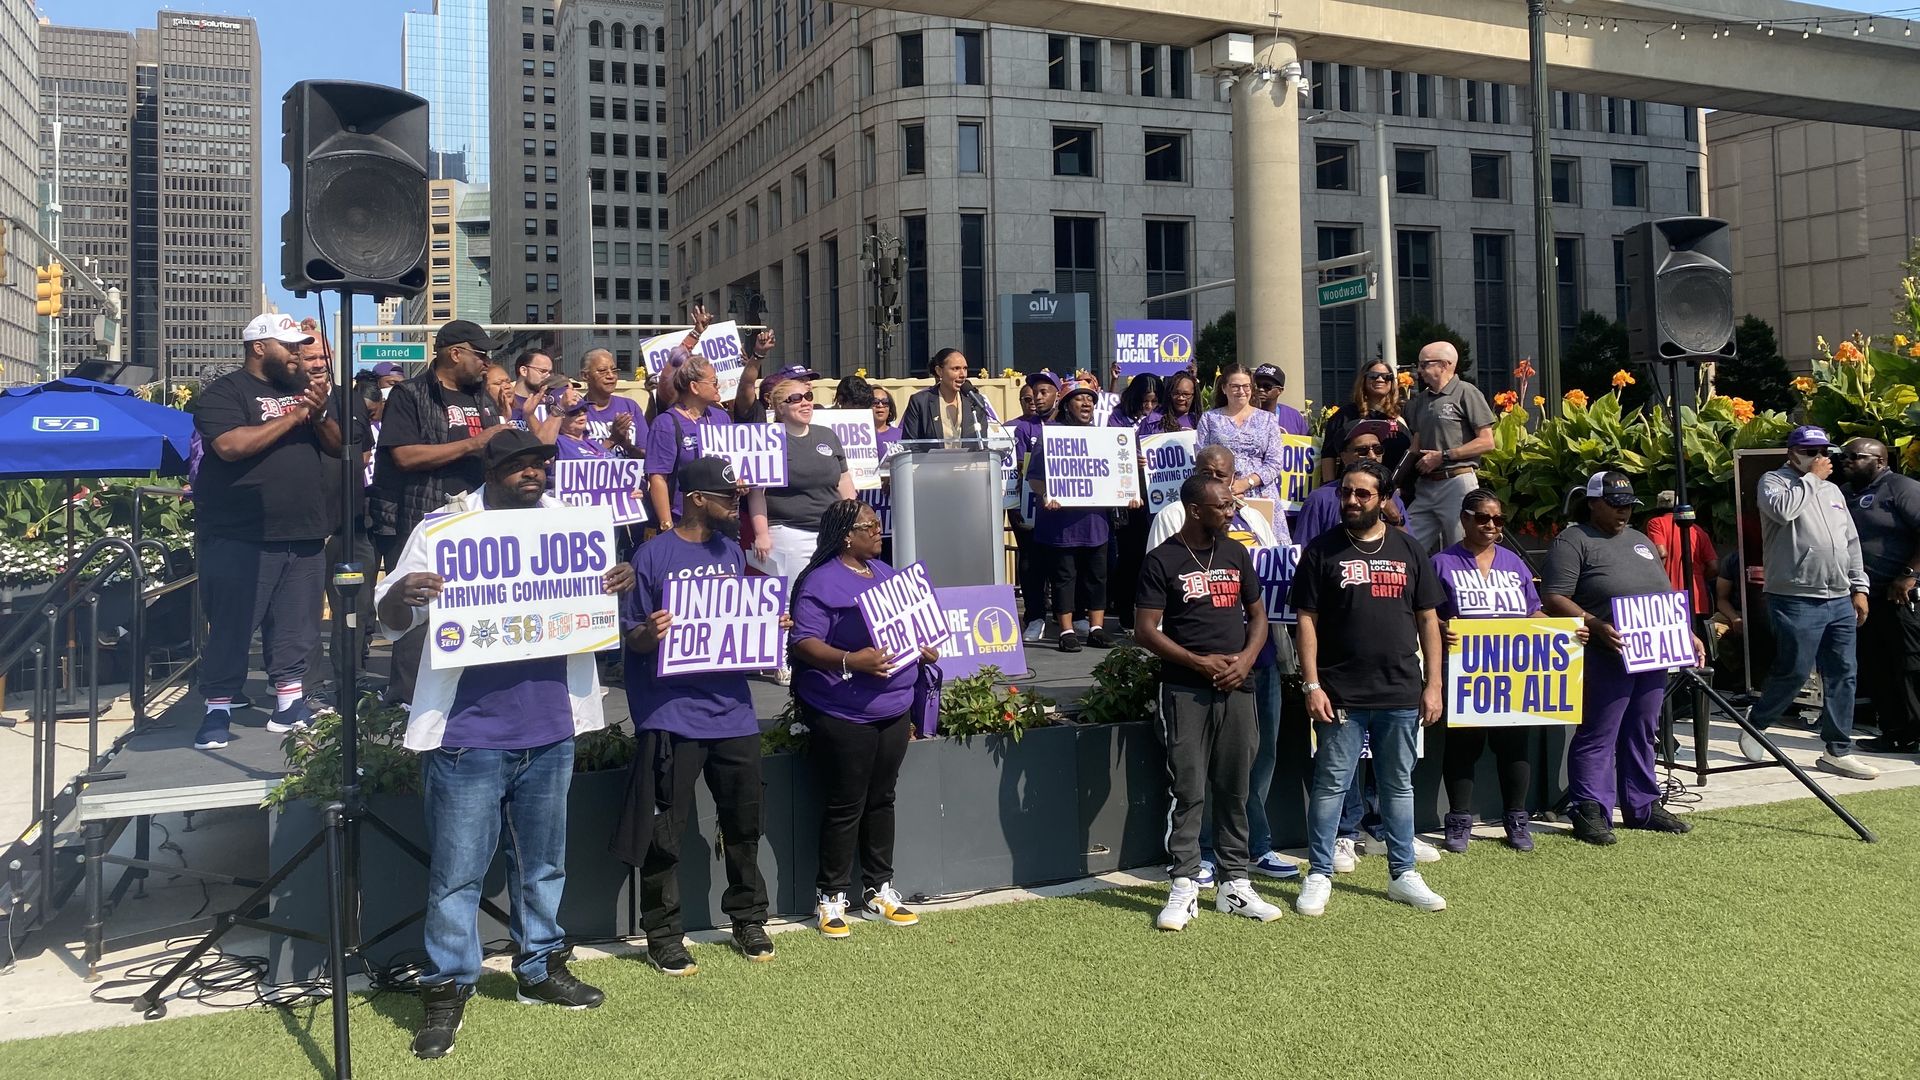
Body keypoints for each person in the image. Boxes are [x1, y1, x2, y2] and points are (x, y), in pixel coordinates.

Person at [375, 428, 633, 1059]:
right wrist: (400, 595)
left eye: (541, 463)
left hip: (549, 726)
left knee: (543, 863)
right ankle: (447, 984)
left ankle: (540, 967)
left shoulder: (574, 527)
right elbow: (390, 617)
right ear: (490, 469)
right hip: (469, 731)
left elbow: (594, 610)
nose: (533, 472)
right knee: (458, 875)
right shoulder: (442, 529)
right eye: (518, 464)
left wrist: (615, 582)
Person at [612, 457, 776, 974]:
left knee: (744, 825)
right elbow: (629, 636)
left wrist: (768, 623)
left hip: (733, 713)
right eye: (730, 500)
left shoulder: (731, 551)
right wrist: (650, 632)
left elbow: (737, 623)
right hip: (671, 714)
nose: (738, 508)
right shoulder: (651, 555)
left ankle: (749, 918)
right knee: (666, 831)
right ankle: (663, 932)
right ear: (698, 499)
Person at [1290, 459, 1449, 916]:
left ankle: (1403, 874)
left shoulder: (1409, 549)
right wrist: (1312, 684)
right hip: (1339, 691)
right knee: (1330, 786)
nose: (1352, 501)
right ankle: (1319, 873)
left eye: (1362, 494)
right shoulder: (1321, 550)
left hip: (1400, 690)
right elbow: (1307, 620)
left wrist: (1433, 684)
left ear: (1383, 500)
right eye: (1346, 493)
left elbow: (1428, 621)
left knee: (1398, 786)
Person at [1144, 446, 1297, 885]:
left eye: (1227, 479)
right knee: (1191, 780)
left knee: (1247, 768)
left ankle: (1249, 858)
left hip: (1250, 667)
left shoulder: (1247, 532)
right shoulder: (1169, 532)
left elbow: (1261, 608)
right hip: (1188, 680)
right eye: (1213, 480)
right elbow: (1149, 620)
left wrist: (1247, 657)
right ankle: (1192, 869)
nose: (1229, 502)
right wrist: (1197, 660)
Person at [787, 500, 941, 937]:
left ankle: (879, 889)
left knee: (882, 798)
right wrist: (851, 659)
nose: (878, 530)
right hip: (843, 710)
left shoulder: (890, 577)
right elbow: (804, 643)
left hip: (893, 707)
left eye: (877, 523)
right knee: (845, 803)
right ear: (845, 535)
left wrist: (925, 648)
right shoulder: (820, 582)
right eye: (869, 525)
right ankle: (831, 897)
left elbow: (916, 632)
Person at [190, 313, 340, 750]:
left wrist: (320, 412)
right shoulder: (226, 392)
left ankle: (289, 705)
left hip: (304, 529)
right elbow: (231, 447)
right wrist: (296, 417)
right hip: (243, 533)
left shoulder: (301, 393)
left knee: (298, 624)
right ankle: (218, 708)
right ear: (259, 348)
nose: (297, 355)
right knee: (234, 625)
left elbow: (335, 445)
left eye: (300, 348)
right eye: (288, 347)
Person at [1541, 470, 1704, 843]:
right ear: (1593, 502)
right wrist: (1595, 624)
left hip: (1652, 652)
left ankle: (1642, 806)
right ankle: (1590, 808)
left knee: (1643, 729)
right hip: (1604, 651)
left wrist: (1686, 631)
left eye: (1629, 506)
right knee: (1599, 731)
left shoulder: (1640, 540)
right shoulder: (1573, 540)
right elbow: (1553, 597)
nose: (1623, 512)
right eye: (1615, 506)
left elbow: (1661, 594)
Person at [368, 320, 513, 706]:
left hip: (475, 519)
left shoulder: (482, 397)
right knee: (420, 604)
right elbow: (403, 455)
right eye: (481, 356)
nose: (487, 364)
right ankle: (406, 698)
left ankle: (463, 691)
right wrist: (473, 444)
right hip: (423, 516)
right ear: (455, 353)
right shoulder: (410, 394)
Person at [1432, 489, 1586, 852]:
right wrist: (1441, 627)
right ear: (1465, 518)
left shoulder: (1514, 563)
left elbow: (1533, 613)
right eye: (1483, 518)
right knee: (1462, 748)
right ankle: (1459, 820)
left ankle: (1516, 819)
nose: (1491, 525)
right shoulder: (1441, 563)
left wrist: (1565, 631)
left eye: (1498, 519)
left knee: (1514, 747)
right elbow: (1427, 613)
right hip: (1467, 672)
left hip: (1514, 675)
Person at [1738, 426, 1879, 778]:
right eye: (1808, 450)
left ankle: (1837, 749)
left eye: (1822, 450)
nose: (1818, 457)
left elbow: (1850, 542)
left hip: (1838, 596)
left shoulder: (1832, 490)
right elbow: (1784, 512)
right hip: (1795, 596)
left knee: (1844, 673)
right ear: (1791, 452)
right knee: (1796, 669)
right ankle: (1758, 724)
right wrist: (1813, 479)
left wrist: (1859, 587)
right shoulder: (1774, 482)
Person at [747, 368, 854, 681]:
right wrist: (762, 533)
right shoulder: (770, 440)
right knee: (790, 595)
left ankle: (829, 654)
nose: (806, 402)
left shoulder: (827, 437)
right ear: (779, 407)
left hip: (829, 532)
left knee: (831, 595)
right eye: (796, 399)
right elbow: (757, 493)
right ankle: (781, 657)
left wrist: (853, 518)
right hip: (788, 530)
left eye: (809, 396)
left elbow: (844, 482)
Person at [1029, 385, 1134, 652]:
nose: (1087, 404)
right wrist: (1047, 495)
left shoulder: (1104, 437)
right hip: (1061, 524)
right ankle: (1066, 631)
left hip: (1095, 522)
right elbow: (1035, 480)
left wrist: (1129, 492)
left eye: (1091, 399)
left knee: (1097, 577)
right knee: (1064, 578)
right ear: (1066, 405)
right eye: (1080, 399)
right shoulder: (1049, 436)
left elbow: (1118, 474)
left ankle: (1096, 629)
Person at [301, 333, 376, 697]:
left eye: (321, 357)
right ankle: (307, 685)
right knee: (303, 612)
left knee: (356, 607)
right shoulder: (284, 398)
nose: (316, 363)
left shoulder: (349, 398)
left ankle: (351, 679)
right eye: (308, 357)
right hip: (304, 526)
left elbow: (360, 448)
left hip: (352, 523)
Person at [1838, 437, 1920, 754]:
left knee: (1909, 665)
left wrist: (1909, 575)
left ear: (1880, 461)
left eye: (1855, 456)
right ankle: (1894, 731)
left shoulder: (1900, 488)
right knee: (1876, 666)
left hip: (1900, 594)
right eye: (1843, 456)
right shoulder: (1843, 494)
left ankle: (1915, 731)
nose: (1846, 461)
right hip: (1862, 596)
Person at [1402, 341, 1495, 551]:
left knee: (1463, 549)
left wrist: (1443, 456)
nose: (1419, 370)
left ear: (1444, 365)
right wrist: (1391, 482)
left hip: (1457, 482)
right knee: (1407, 547)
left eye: (1424, 364)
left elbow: (1487, 441)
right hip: (1426, 486)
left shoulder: (1466, 392)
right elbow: (1414, 448)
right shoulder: (1421, 400)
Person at [643, 354, 733, 529]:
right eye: (713, 382)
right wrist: (666, 524)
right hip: (682, 521)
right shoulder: (666, 424)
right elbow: (658, 478)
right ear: (694, 387)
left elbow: (732, 464)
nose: (718, 386)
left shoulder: (721, 418)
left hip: (719, 521)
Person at [1293, 421, 1407, 546]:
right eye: (1363, 451)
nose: (1373, 456)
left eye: (1378, 449)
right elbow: (1303, 551)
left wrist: (1396, 519)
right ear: (1343, 456)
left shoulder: (1390, 497)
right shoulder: (1320, 499)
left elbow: (1409, 549)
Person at [1108, 373, 1165, 628]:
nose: (1149, 406)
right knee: (1130, 556)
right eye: (1145, 400)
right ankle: (1125, 612)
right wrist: (1132, 458)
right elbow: (1109, 450)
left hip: (1158, 495)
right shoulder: (1117, 417)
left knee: (1154, 555)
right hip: (1129, 497)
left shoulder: (1162, 418)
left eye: (1154, 401)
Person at [1012, 371, 1062, 640]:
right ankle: (1034, 616)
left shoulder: (1068, 425)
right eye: (1034, 392)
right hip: (1030, 506)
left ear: (1057, 394)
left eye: (1044, 392)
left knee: (1063, 564)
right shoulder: (1023, 428)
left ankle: (1070, 615)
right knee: (1032, 562)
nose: (1037, 397)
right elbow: (1021, 467)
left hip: (1064, 508)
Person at [1195, 366, 1286, 507]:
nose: (1241, 391)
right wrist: (1225, 486)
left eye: (1246, 386)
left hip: (1260, 493)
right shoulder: (1209, 419)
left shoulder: (1268, 419)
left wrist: (1247, 483)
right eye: (1235, 386)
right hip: (1220, 493)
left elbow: (1275, 462)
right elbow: (1202, 458)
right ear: (1224, 388)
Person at [1321, 360, 1412, 478]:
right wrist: (1330, 487)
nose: (1380, 379)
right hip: (1357, 486)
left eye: (1386, 377)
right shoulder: (1345, 415)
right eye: (1373, 376)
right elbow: (1329, 454)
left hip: (1399, 489)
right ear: (1363, 380)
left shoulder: (1406, 411)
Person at [1644, 491, 1719, 618]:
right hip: (1697, 599)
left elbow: (1661, 553)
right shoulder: (1697, 529)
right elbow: (1714, 567)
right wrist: (1698, 578)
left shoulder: (1655, 523)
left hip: (1669, 597)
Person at [899, 347, 989, 445]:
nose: (962, 374)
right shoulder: (920, 402)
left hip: (970, 460)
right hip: (930, 460)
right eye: (956, 369)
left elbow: (982, 446)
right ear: (939, 371)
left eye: (965, 368)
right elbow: (909, 445)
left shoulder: (975, 401)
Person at [578, 347, 646, 457]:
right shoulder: (575, 411)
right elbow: (578, 460)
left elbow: (647, 456)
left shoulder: (630, 406)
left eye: (614, 370)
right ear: (585, 376)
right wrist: (612, 440)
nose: (611, 376)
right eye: (602, 371)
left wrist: (627, 446)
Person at [508, 349, 566, 441]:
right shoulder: (505, 402)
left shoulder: (552, 403)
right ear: (524, 371)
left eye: (549, 372)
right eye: (542, 371)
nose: (548, 376)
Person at [1250, 363, 1308, 437]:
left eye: (1267, 386)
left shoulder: (1294, 416)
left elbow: (1306, 445)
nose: (1260, 389)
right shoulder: (1244, 413)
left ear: (1279, 390)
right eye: (1257, 385)